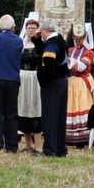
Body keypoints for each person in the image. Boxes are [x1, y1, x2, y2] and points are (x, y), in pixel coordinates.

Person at [35, 21, 69, 158]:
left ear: (45, 30)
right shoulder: (60, 40)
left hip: (53, 83)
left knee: (50, 116)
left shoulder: (52, 44)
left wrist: (44, 81)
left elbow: (48, 62)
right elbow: (41, 52)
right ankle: (60, 148)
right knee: (60, 117)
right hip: (62, 81)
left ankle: (50, 149)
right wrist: (37, 40)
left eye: (40, 32)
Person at [0, 15, 22, 153]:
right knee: (11, 113)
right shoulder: (19, 40)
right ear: (12, 26)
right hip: (13, 79)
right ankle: (12, 145)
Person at [64, 24, 94, 148]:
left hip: (82, 83)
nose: (77, 40)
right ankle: (69, 137)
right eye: (75, 37)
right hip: (70, 82)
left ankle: (83, 138)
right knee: (70, 106)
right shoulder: (70, 50)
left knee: (83, 106)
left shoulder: (89, 52)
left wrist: (70, 63)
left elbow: (82, 67)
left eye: (80, 37)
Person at [16, 17, 43, 153]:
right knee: (24, 108)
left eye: (33, 28)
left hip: (35, 78)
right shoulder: (21, 44)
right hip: (23, 78)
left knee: (35, 108)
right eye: (29, 28)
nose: (31, 30)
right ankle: (28, 144)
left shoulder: (40, 44)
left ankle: (38, 145)